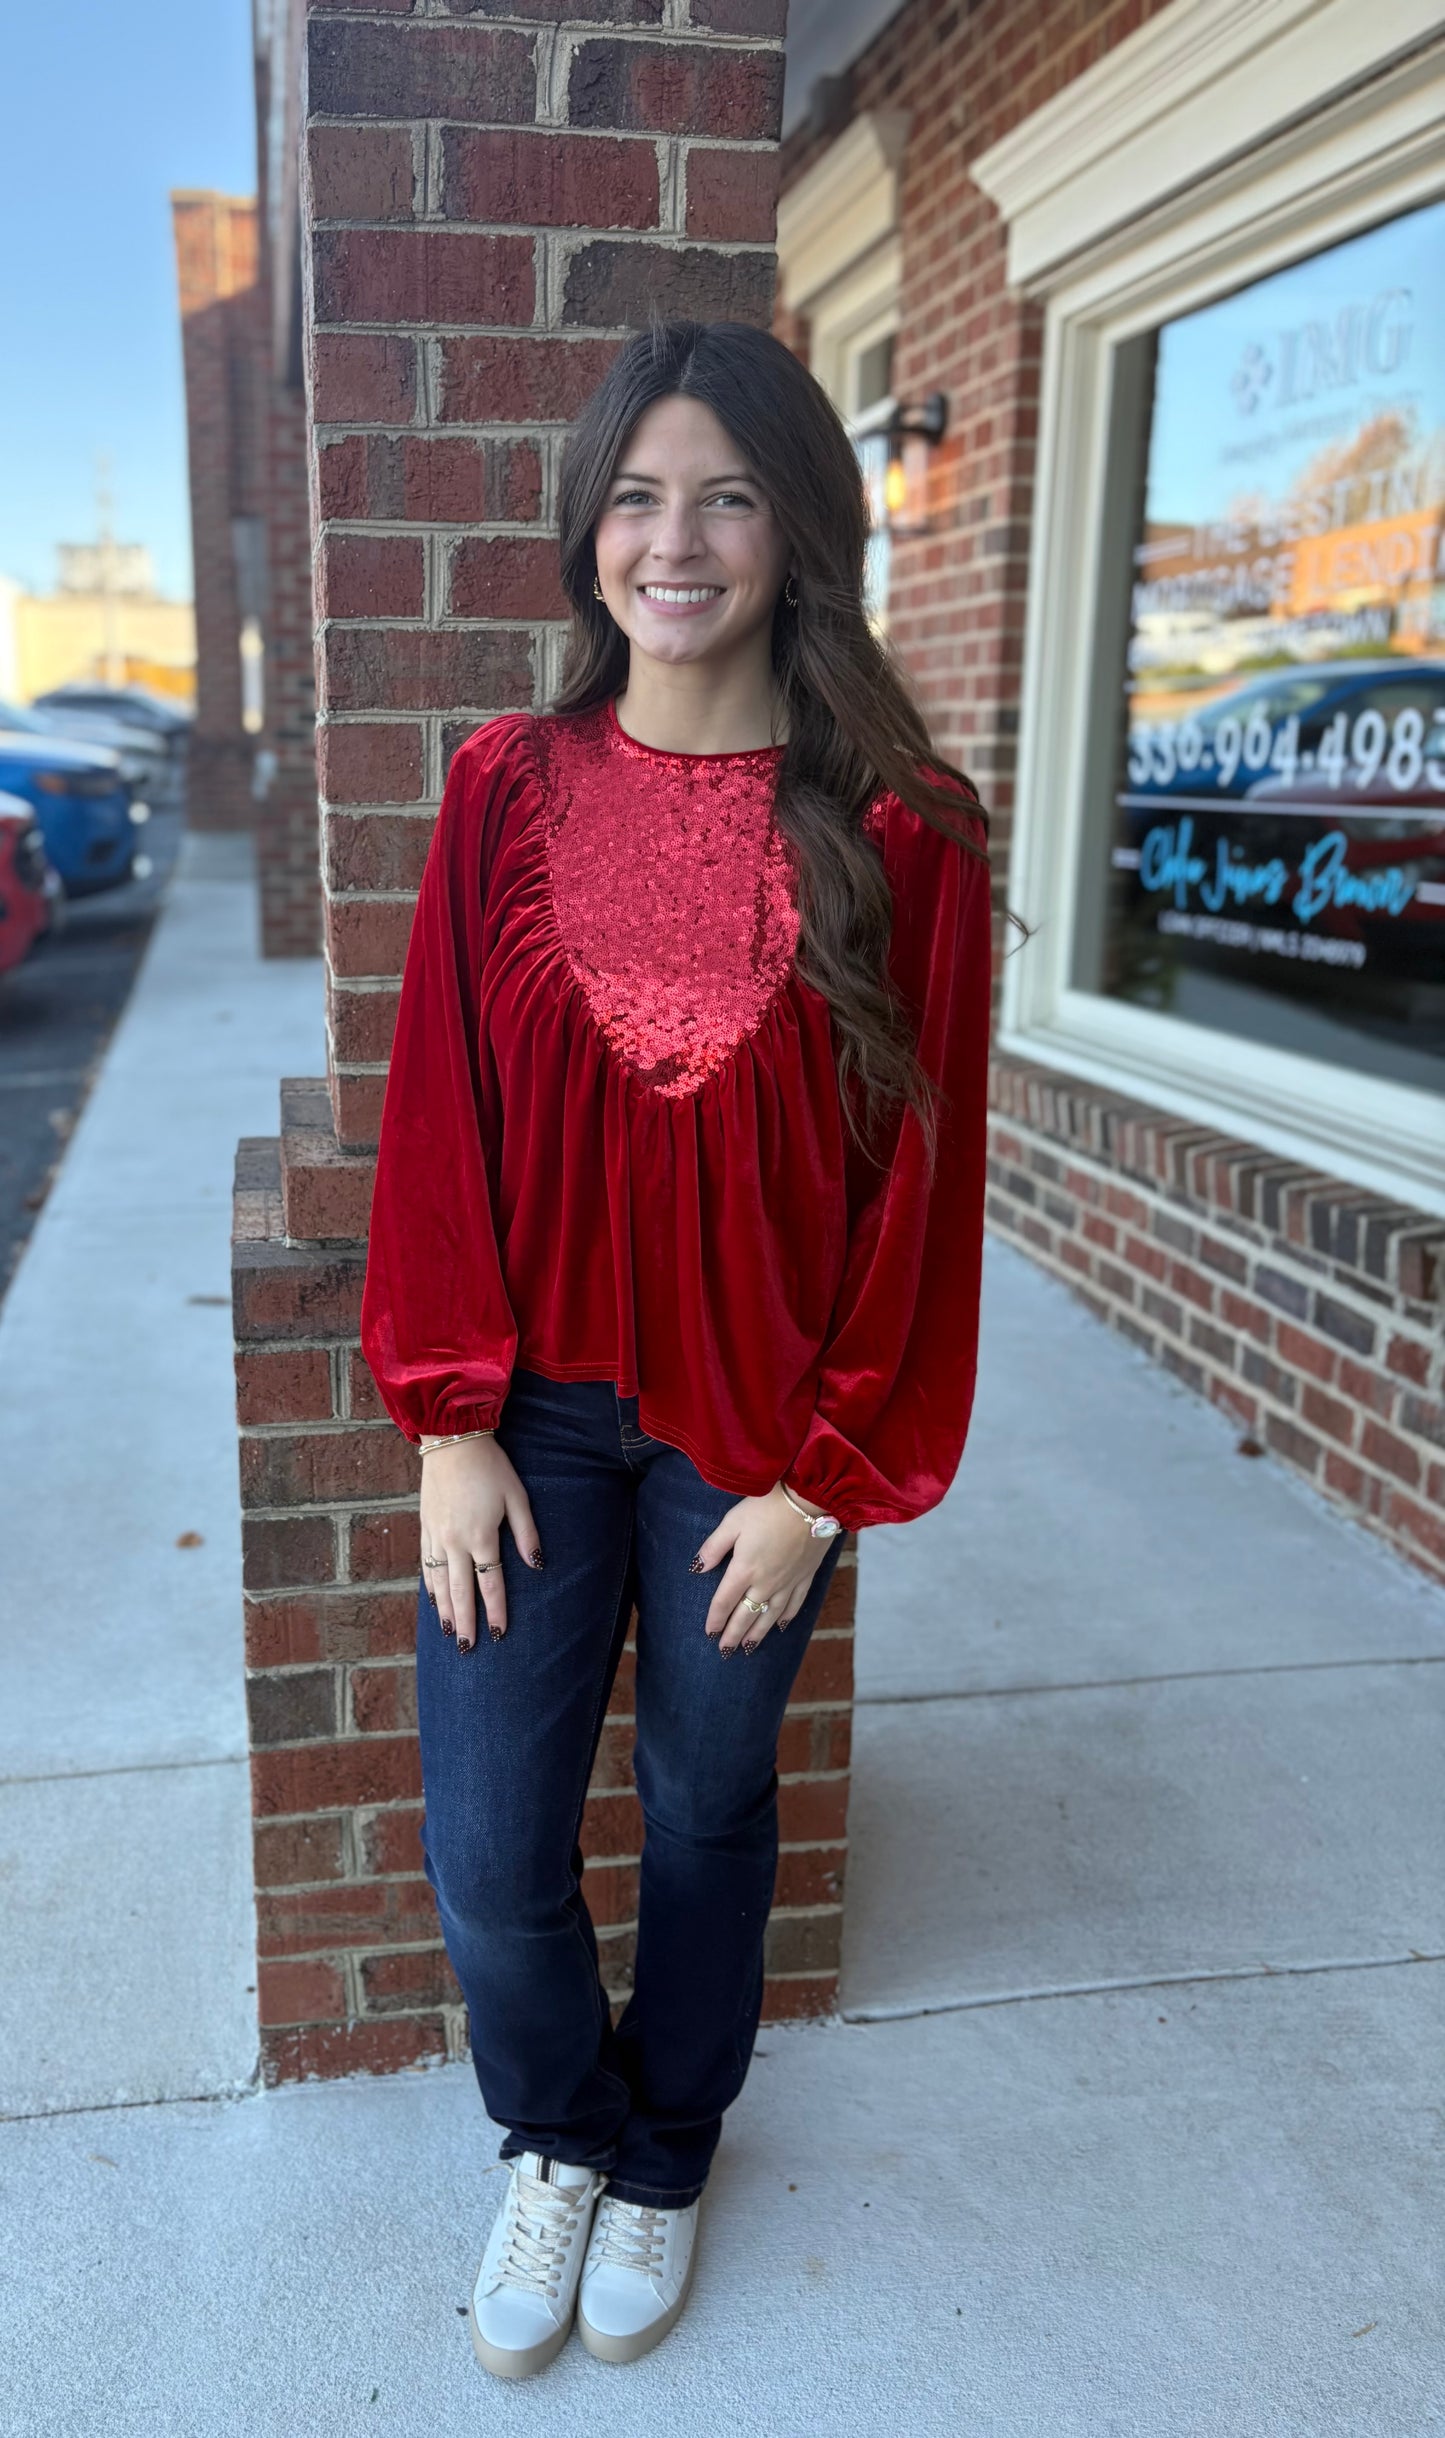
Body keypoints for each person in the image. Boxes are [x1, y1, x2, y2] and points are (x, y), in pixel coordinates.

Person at [360, 318, 994, 2381]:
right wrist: (449, 1416)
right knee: (488, 1843)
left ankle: (668, 2146)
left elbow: (924, 1177)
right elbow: (440, 1108)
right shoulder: (505, 785)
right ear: (586, 533)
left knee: (713, 1809)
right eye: (637, 494)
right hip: (531, 1417)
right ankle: (557, 2130)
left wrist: (830, 1471)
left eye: (726, 491)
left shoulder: (905, 828)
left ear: (801, 523)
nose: (677, 537)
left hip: (757, 1435)